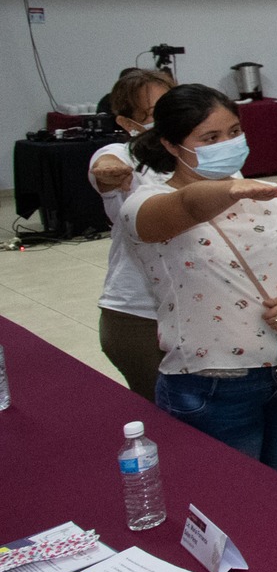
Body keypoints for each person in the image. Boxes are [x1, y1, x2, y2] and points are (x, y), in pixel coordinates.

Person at [121, 86, 277, 481]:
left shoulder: (272, 197)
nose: (228, 144)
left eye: (233, 132)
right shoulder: (145, 204)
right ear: (171, 145)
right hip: (211, 384)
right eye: (210, 138)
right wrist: (230, 189)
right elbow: (187, 205)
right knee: (229, 497)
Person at [88, 68, 175, 399]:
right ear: (127, 122)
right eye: (154, 113)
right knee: (164, 412)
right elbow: (105, 165)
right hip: (140, 314)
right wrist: (109, 171)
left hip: (198, 308)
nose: (169, 117)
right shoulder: (125, 156)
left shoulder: (198, 153)